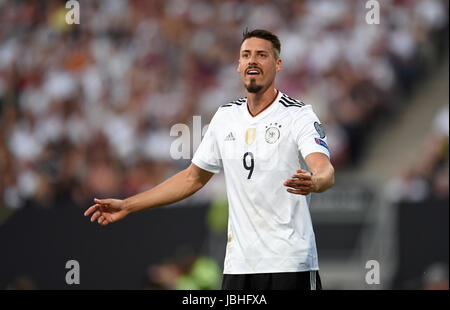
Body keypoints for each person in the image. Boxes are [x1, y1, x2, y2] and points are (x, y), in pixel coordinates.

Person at [84, 29, 335, 290]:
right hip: (239, 266)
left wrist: (315, 181)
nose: (252, 61)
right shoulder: (226, 117)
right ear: (238, 65)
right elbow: (192, 178)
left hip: (289, 263)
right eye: (246, 55)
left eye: (262, 55)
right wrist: (128, 205)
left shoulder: (299, 115)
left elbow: (324, 170)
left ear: (278, 64)